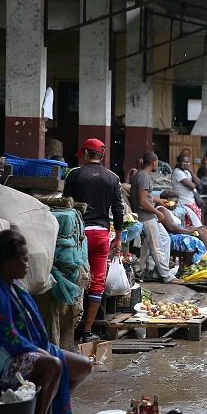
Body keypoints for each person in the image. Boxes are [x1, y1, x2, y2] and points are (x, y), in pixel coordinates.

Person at [0, 230, 92, 414]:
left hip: (24, 350)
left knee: (83, 366)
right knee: (52, 365)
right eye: (24, 260)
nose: (28, 264)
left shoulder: (15, 286)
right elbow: (4, 338)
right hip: (0, 362)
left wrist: (39, 349)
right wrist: (37, 350)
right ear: (9, 261)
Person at [63, 138, 124, 343]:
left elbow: (66, 205)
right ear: (102, 155)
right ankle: (87, 331)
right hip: (101, 235)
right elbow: (118, 209)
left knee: (72, 275)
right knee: (97, 280)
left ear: (86, 154)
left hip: (78, 234)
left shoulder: (75, 174)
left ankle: (69, 327)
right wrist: (118, 238)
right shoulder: (113, 178)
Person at [129, 151, 184, 284]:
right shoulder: (143, 176)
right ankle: (167, 276)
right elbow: (142, 202)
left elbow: (145, 196)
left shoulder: (143, 175)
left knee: (165, 239)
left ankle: (157, 272)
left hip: (150, 215)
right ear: (154, 163)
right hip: (145, 217)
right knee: (156, 246)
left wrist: (158, 201)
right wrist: (158, 213)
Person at [156, 189, 207, 264]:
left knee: (198, 234)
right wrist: (188, 231)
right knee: (193, 241)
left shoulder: (167, 210)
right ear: (168, 200)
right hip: (168, 239)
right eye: (175, 202)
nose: (176, 205)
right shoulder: (161, 209)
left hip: (174, 235)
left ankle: (194, 262)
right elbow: (172, 228)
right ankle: (186, 265)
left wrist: (189, 230)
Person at [172, 154, 203, 228]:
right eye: (184, 162)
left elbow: (198, 183)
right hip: (185, 202)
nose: (186, 164)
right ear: (178, 162)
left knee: (196, 226)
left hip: (192, 201)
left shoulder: (187, 172)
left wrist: (191, 171)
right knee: (196, 227)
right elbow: (191, 186)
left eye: (187, 162)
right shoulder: (177, 172)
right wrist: (194, 184)